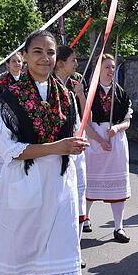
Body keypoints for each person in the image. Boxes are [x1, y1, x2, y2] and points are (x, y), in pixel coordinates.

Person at [0, 30, 89, 275]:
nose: (45, 58)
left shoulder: (66, 97)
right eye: (38, 52)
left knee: (59, 248)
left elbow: (77, 133)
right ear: (25, 56)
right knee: (23, 247)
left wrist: (77, 143)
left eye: (51, 52)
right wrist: (57, 147)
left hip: (59, 183)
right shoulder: (11, 96)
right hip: (25, 181)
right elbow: (8, 149)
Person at [83, 54, 133, 243]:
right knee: (91, 182)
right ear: (98, 69)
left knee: (118, 185)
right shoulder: (89, 92)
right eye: (107, 67)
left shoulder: (121, 93)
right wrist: (99, 140)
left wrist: (117, 128)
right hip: (94, 140)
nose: (111, 70)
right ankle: (85, 217)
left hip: (116, 141)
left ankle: (118, 227)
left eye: (112, 67)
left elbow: (127, 121)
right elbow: (85, 124)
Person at [54, 45, 90, 239]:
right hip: (60, 150)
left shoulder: (75, 85)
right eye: (73, 60)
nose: (77, 63)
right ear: (61, 63)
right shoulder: (51, 86)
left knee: (78, 193)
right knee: (61, 197)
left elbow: (87, 117)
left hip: (77, 147)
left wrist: (81, 94)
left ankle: (76, 245)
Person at [0, 51, 23, 174]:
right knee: (7, 168)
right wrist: (9, 110)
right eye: (13, 61)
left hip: (26, 124)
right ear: (7, 64)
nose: (17, 63)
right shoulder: (1, 83)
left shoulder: (28, 80)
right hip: (7, 125)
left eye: (19, 61)